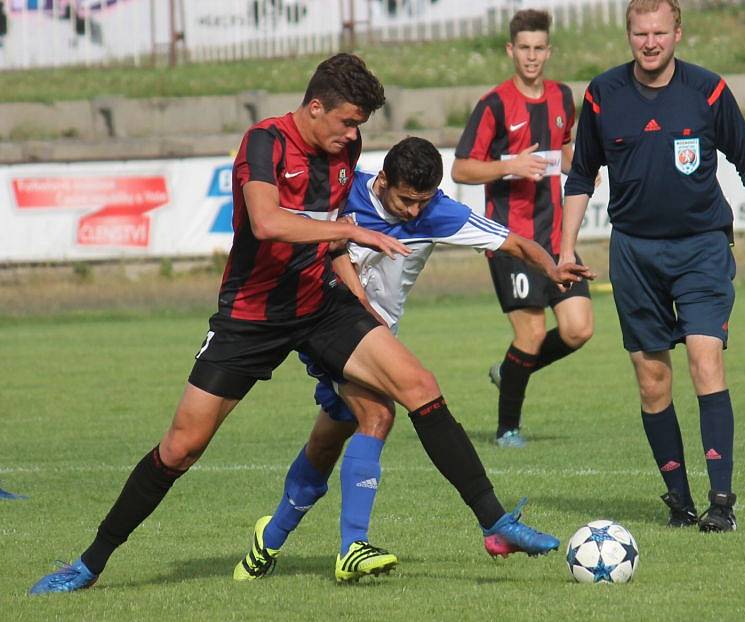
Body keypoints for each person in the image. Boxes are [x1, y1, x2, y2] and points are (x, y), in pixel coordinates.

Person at [30, 54, 561, 596]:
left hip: (321, 303)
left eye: (359, 125)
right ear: (315, 107)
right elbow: (266, 222)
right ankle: (89, 564)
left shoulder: (344, 149)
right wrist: (355, 233)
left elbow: (330, 241)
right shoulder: (265, 143)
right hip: (252, 315)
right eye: (349, 121)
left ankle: (495, 521)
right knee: (181, 448)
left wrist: (355, 284)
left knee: (417, 389)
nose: (355, 135)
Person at [242, 136, 595, 582]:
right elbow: (326, 249)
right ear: (384, 179)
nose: (413, 212)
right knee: (379, 413)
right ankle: (365, 543)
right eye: (406, 200)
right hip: (330, 325)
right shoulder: (346, 192)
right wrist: (360, 306)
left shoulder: (437, 212)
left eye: (422, 202)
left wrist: (553, 267)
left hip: (376, 337)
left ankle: (267, 540)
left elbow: (517, 244)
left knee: (328, 439)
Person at [561, 0, 745, 532]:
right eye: (640, 33)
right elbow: (580, 175)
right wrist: (566, 247)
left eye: (659, 32)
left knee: (706, 360)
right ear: (629, 35)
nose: (650, 42)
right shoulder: (601, 95)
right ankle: (680, 500)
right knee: (651, 379)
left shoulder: (707, 91)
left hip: (702, 247)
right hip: (634, 252)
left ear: (677, 33)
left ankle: (721, 503)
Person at [452, 9, 594, 448]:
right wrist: (508, 165)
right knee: (530, 334)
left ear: (548, 51)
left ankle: (509, 370)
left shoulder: (561, 96)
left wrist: (585, 168)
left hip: (557, 237)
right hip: (510, 241)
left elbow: (566, 147)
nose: (532, 57)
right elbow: (460, 169)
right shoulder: (494, 104)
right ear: (511, 50)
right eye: (524, 48)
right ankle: (507, 428)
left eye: (539, 48)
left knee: (578, 329)